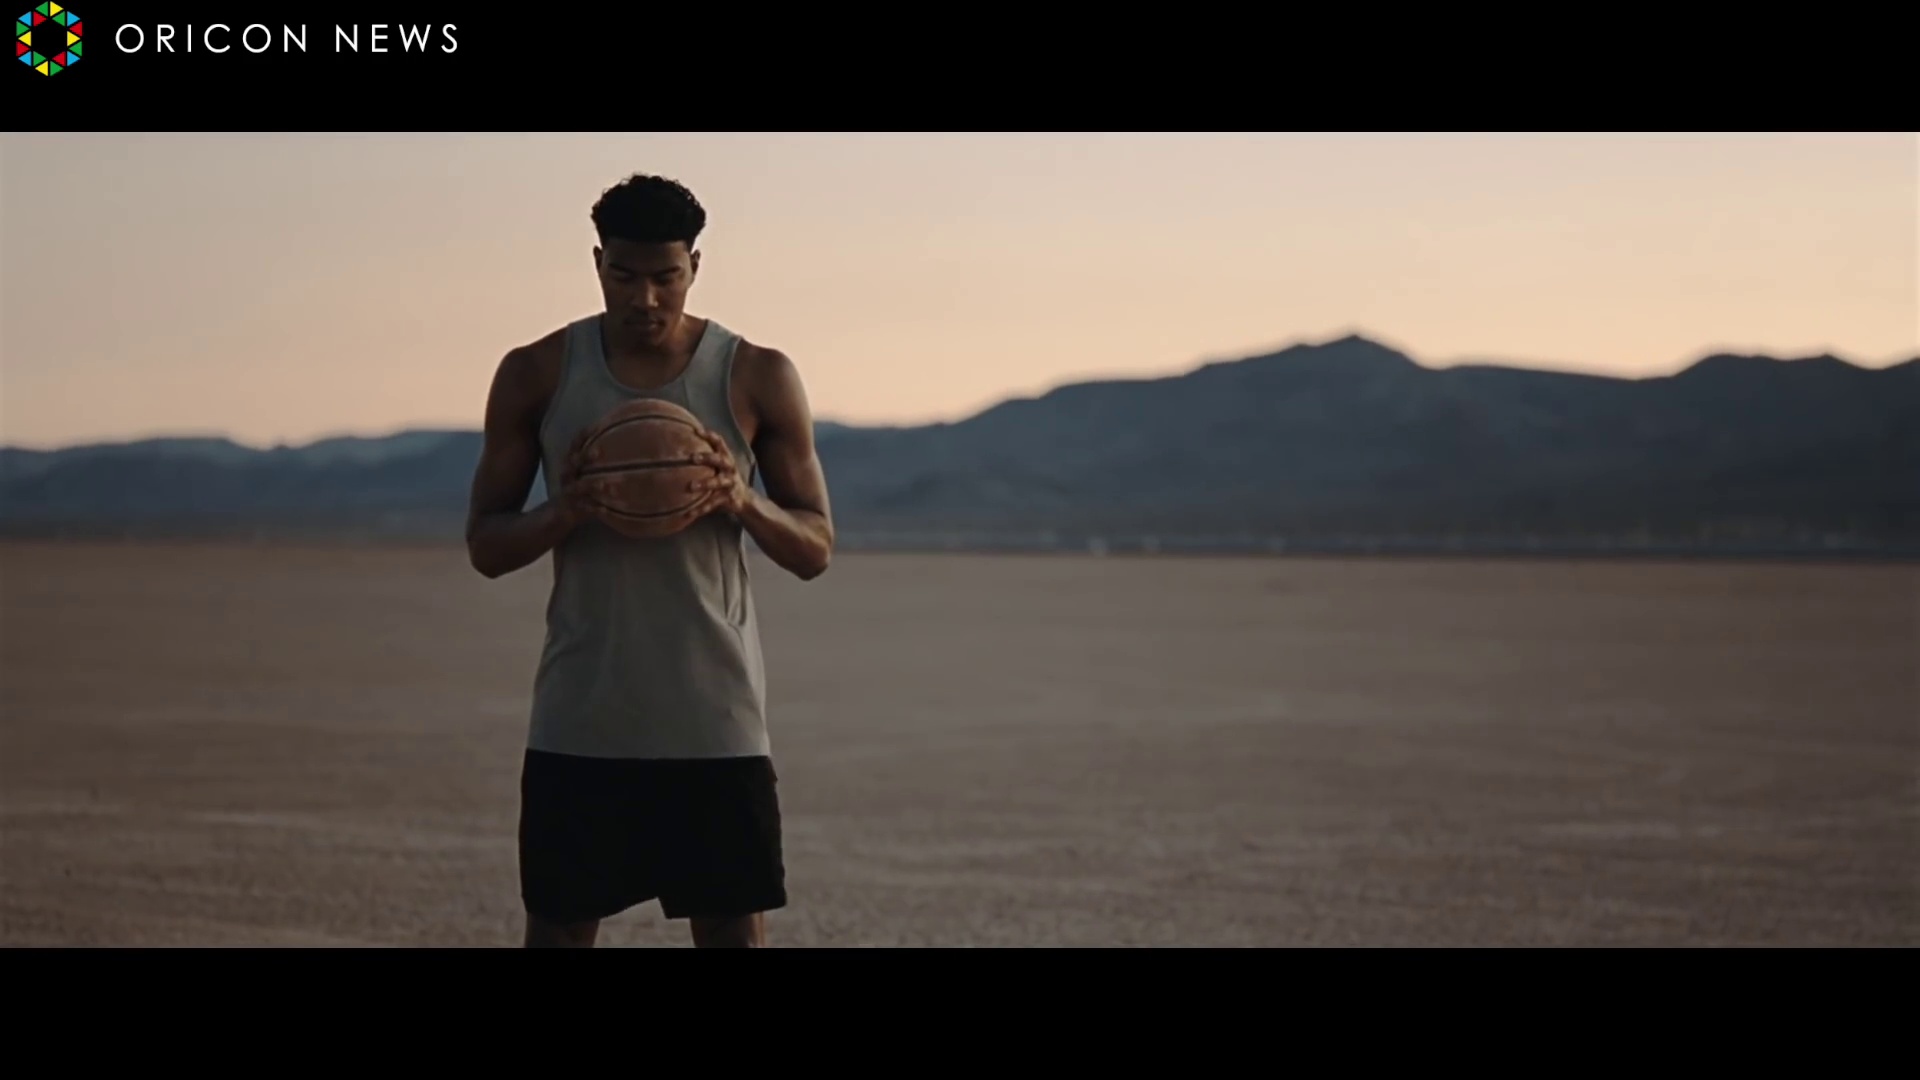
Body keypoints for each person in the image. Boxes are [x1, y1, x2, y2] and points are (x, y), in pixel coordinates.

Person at [464, 172, 834, 948]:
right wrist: (567, 510)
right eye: (624, 276)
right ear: (597, 262)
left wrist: (739, 499)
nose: (645, 299)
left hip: (716, 722)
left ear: (695, 265)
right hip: (581, 719)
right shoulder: (536, 373)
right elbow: (487, 546)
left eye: (666, 276)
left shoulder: (755, 374)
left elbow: (815, 549)